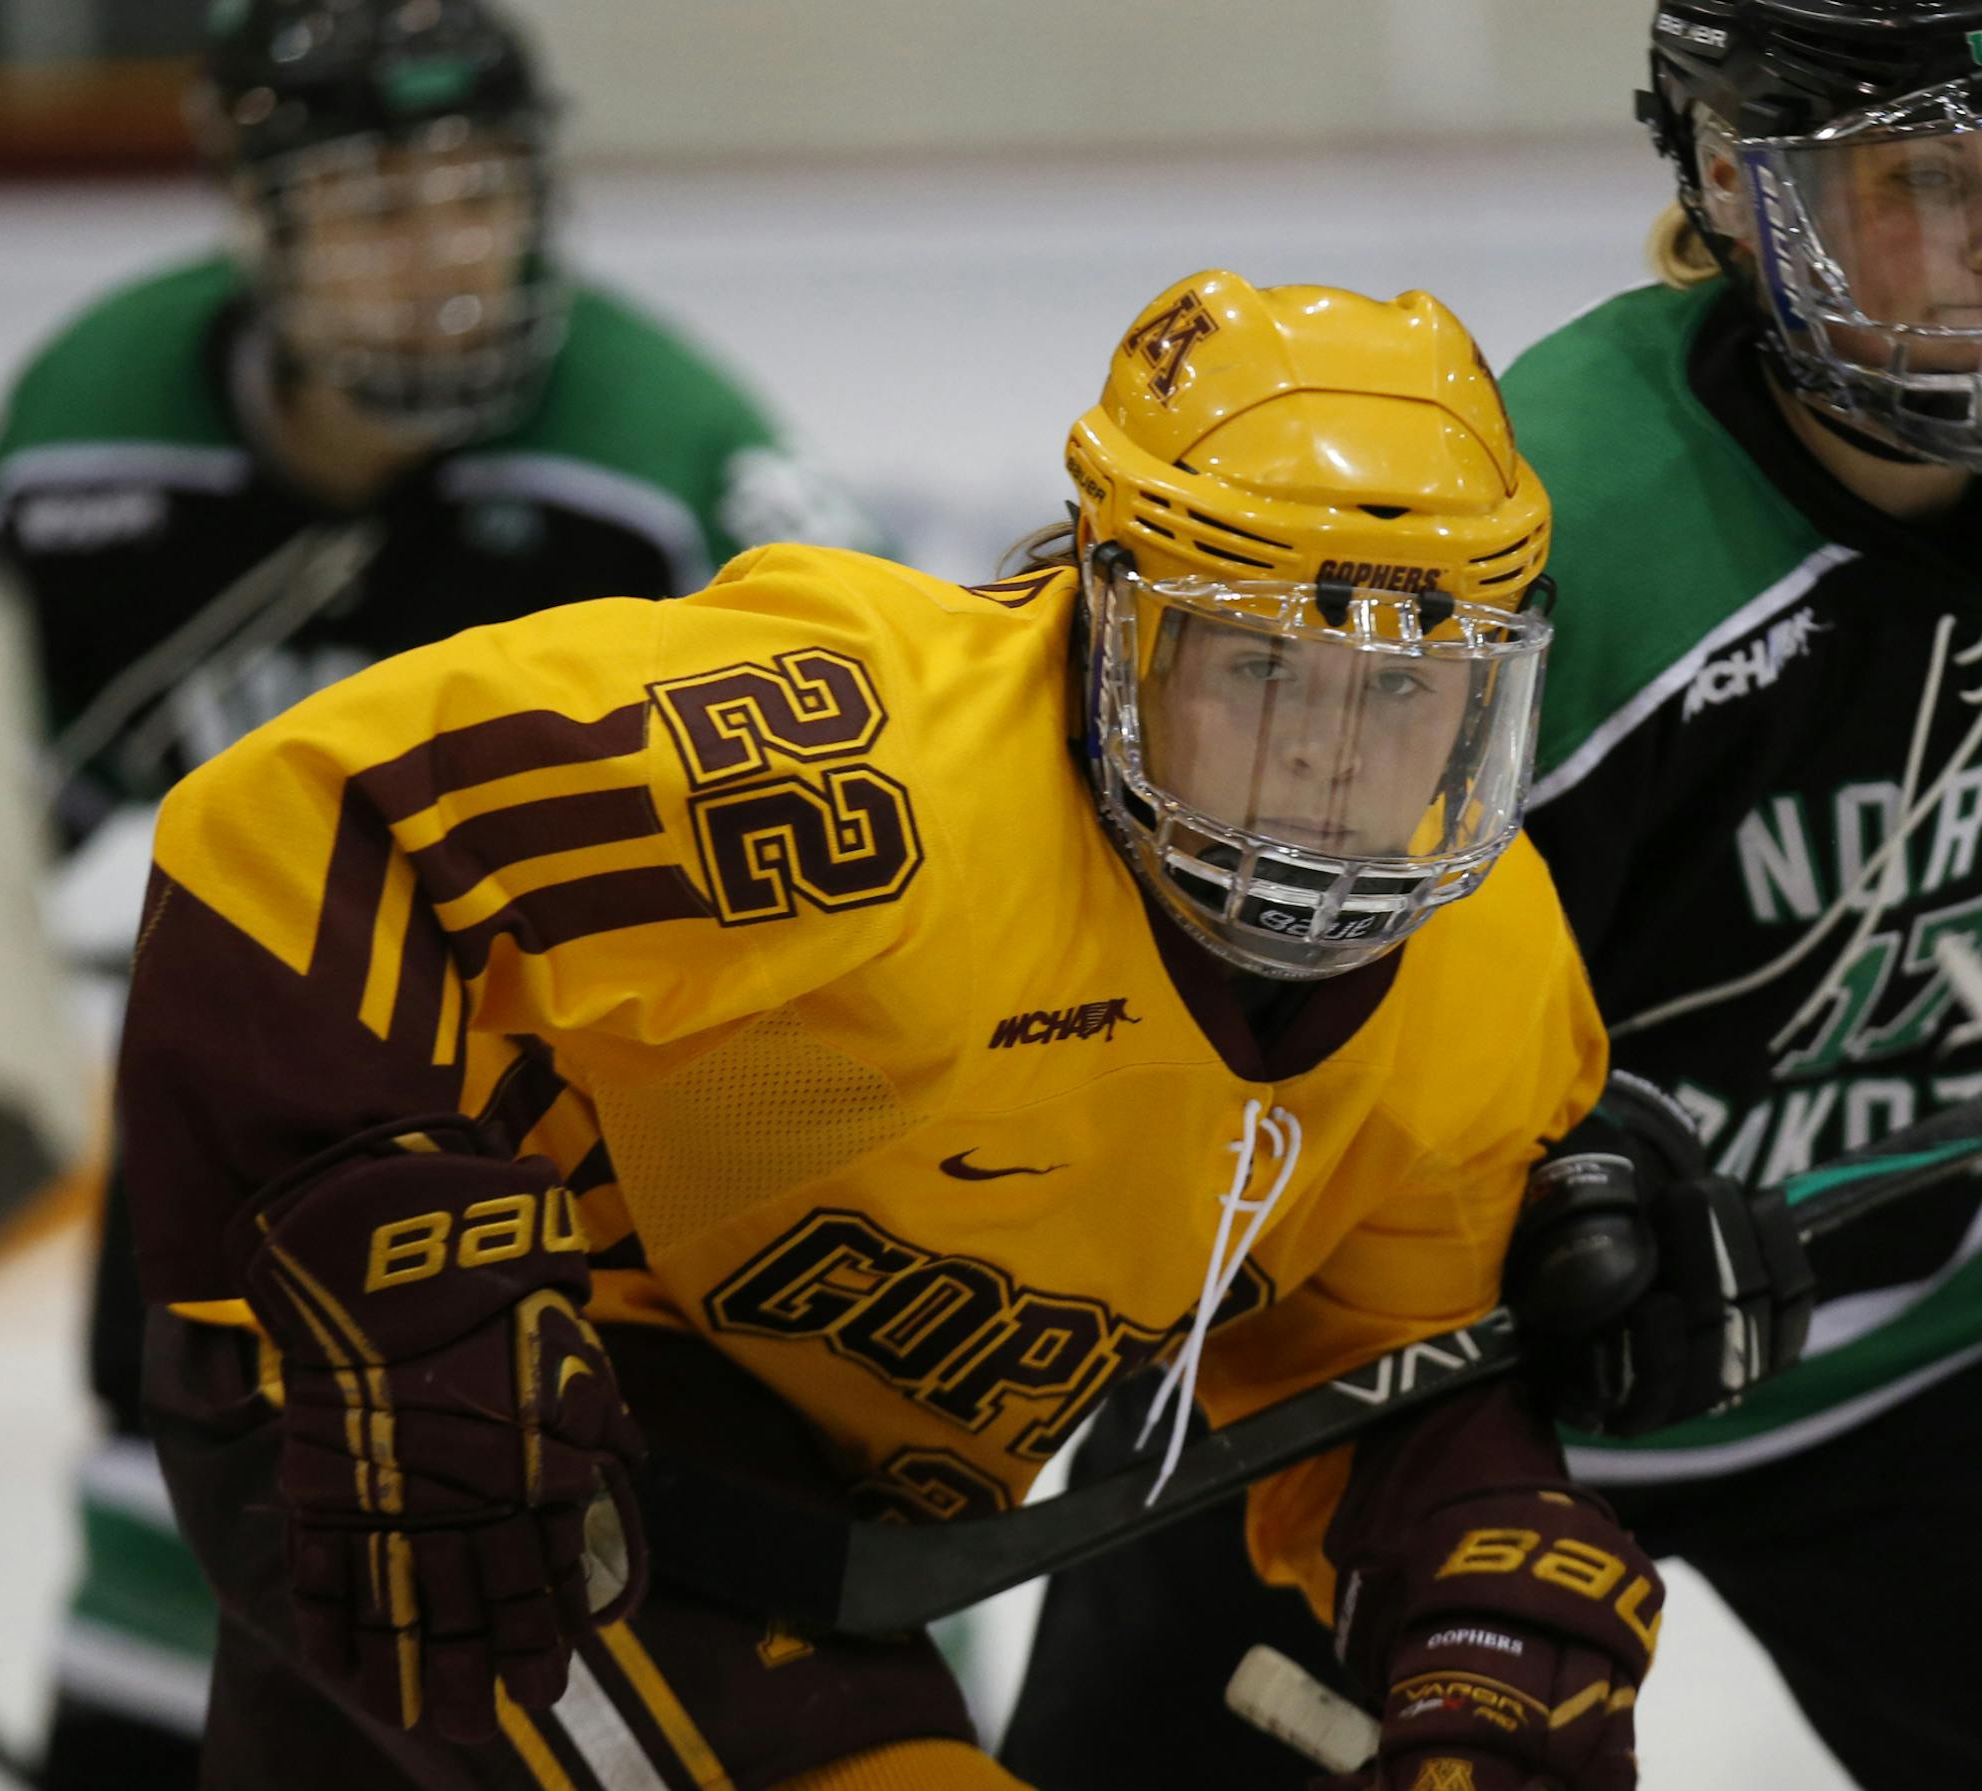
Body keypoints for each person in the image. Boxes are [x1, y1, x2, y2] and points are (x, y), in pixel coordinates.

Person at [116, 269, 1667, 1791]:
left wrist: (1479, 1599)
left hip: (803, 1502)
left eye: (1402, 694)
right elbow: (304, 821)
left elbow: (1378, 1352)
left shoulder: (1493, 967)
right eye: (1264, 666)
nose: (1332, 762)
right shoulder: (862, 763)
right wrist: (406, 1300)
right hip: (459, 1394)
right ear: (1114, 613)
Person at [0, 2, 880, 1784]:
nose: (447, 259)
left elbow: (851, 896)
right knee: (160, 1724)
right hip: (237, 1187)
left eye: (479, 198)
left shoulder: (667, 476)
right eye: (380, 208)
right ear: (257, 218)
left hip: (599, 1204)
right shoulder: (92, 446)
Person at [1005, 4, 1982, 1787]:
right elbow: (1211, 1018)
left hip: (1914, 1364)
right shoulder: (1556, 528)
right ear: (1740, 185)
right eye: (1922, 175)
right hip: (1400, 1394)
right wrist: (1568, 1157)